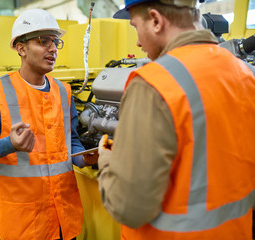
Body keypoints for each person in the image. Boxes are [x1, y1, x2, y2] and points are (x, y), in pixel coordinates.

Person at [97, 0, 255, 239]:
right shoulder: (244, 73)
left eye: (135, 27)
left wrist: (107, 163)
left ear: (156, 20)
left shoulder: (154, 84)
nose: (138, 42)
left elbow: (129, 206)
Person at [0, 8, 97, 240]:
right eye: (43, 41)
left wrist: (84, 157)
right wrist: (8, 144)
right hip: (24, 223)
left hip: (62, 216)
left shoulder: (63, 92)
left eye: (55, 42)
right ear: (21, 48)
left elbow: (71, 141)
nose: (52, 49)